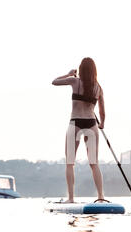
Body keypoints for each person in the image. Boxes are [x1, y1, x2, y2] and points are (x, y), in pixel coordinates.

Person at [52, 57, 106, 203]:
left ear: (80, 69)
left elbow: (54, 81)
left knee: (70, 162)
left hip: (75, 123)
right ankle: (101, 196)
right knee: (94, 163)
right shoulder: (98, 87)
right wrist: (102, 124)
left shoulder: (75, 81)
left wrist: (68, 74)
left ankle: (71, 198)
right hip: (91, 123)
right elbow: (102, 112)